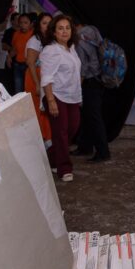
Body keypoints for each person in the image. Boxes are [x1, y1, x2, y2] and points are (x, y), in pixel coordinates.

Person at [40, 14, 81, 182]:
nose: (64, 31)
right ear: (54, 32)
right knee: (61, 132)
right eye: (60, 28)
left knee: (73, 128)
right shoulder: (51, 50)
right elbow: (46, 78)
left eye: (67, 28)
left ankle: (50, 156)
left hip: (72, 96)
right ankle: (64, 168)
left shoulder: (70, 48)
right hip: (55, 96)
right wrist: (50, 101)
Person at [73, 23, 111, 162]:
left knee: (93, 117)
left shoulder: (79, 39)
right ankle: (85, 146)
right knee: (88, 116)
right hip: (99, 78)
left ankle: (103, 152)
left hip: (88, 81)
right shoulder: (94, 30)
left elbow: (82, 67)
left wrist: (77, 87)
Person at [24, 12, 53, 147]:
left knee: (47, 109)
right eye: (44, 23)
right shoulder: (34, 40)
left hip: (47, 77)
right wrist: (37, 84)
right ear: (38, 25)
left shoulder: (51, 39)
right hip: (35, 77)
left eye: (49, 23)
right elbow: (30, 63)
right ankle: (41, 139)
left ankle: (48, 138)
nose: (47, 26)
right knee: (38, 108)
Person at [11, 13, 34, 95]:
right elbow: (14, 48)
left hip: (29, 66)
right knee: (18, 91)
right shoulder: (16, 34)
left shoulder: (34, 35)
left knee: (29, 90)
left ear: (31, 24)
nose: (23, 25)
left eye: (25, 23)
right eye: (21, 23)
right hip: (17, 65)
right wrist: (9, 57)